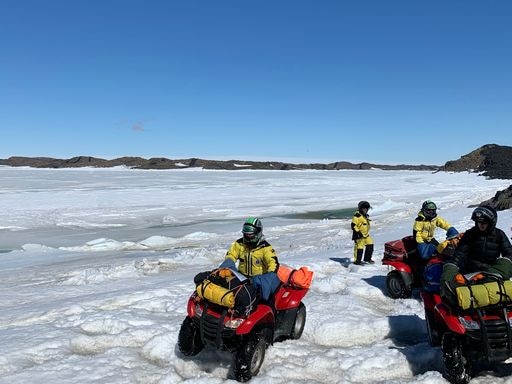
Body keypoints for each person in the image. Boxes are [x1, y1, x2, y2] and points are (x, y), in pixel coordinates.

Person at [440, 206, 512, 301]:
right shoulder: (470, 234)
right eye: (479, 222)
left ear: (491, 222)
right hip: (470, 273)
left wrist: (497, 269)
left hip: (491, 273)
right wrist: (453, 266)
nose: (481, 225)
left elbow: (509, 254)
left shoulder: (499, 235)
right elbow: (459, 253)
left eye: (484, 223)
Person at [219, 217, 280, 301]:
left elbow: (273, 263)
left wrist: (268, 277)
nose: (247, 237)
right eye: (245, 234)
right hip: (242, 278)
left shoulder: (266, 248)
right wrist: (228, 263)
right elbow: (231, 255)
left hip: (258, 280)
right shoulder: (239, 244)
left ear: (258, 233)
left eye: (250, 235)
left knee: (266, 301)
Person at [351, 201, 374, 265]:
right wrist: (358, 233)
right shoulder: (357, 216)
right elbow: (353, 225)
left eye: (367, 209)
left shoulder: (364, 215)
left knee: (370, 244)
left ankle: (367, 259)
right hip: (359, 235)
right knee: (359, 248)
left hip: (366, 235)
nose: (366, 210)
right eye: (364, 209)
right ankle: (357, 261)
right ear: (360, 208)